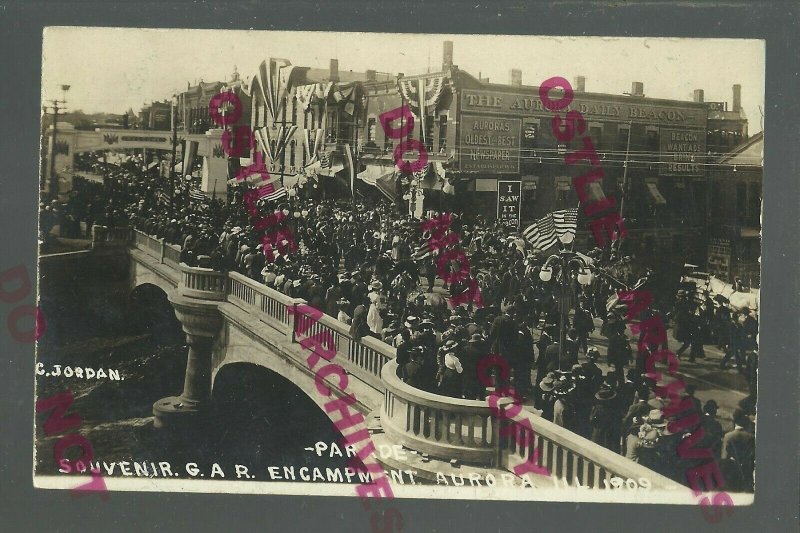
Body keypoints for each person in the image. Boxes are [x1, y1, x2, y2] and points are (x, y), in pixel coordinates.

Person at [721, 412, 756, 492]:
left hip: (732, 470)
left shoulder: (728, 436)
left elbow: (724, 456)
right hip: (746, 470)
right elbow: (752, 455)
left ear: (734, 422)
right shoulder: (751, 437)